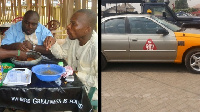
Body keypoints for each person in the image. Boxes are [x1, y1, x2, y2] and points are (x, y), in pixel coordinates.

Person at [44, 9, 98, 100]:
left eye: (74, 24)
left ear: (87, 29)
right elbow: (61, 54)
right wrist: (53, 42)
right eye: (70, 23)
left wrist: (76, 74)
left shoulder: (96, 48)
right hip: (71, 82)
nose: (68, 26)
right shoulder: (73, 38)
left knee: (51, 96)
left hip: (89, 90)